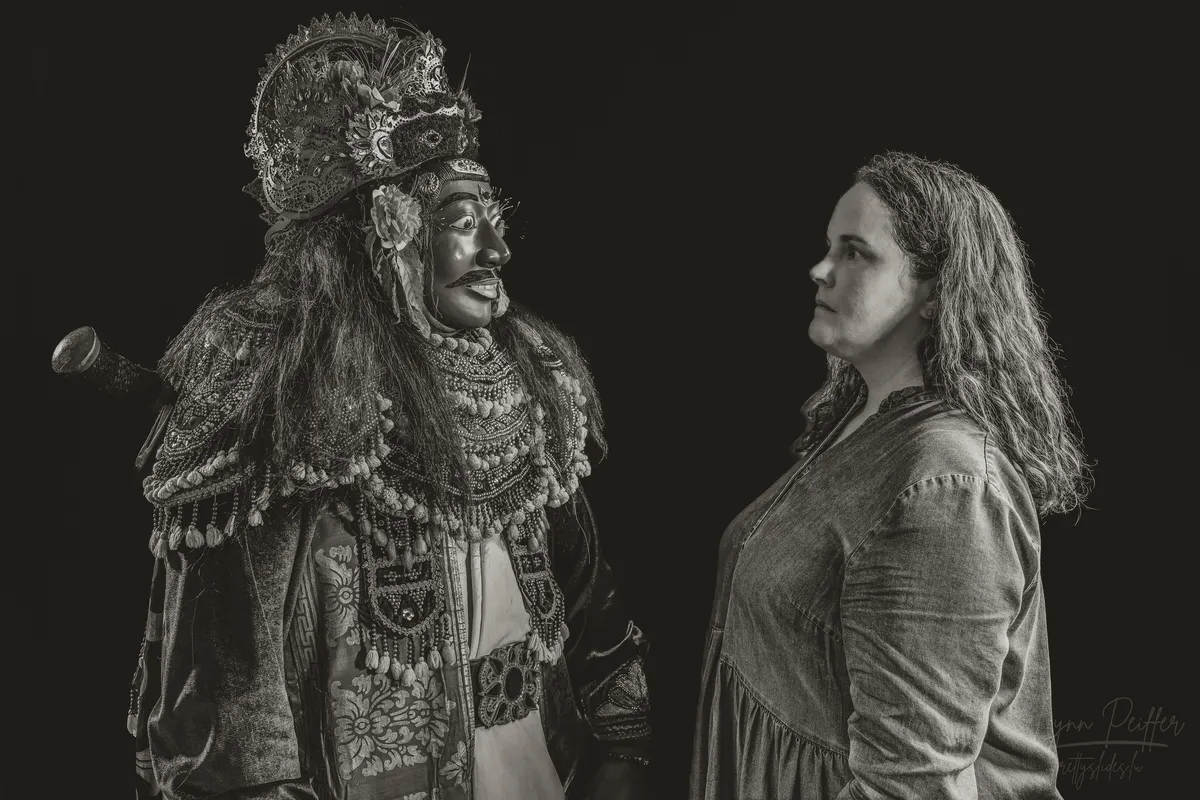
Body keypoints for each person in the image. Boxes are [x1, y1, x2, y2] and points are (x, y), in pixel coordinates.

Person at [118, 14, 651, 800]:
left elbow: (589, 604)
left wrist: (624, 751)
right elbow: (229, 711)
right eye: (463, 225)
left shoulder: (527, 379)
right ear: (384, 235)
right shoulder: (287, 395)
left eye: (492, 222)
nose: (497, 253)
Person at [690, 151, 1090, 799]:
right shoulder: (861, 424)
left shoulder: (945, 484)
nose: (818, 269)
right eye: (829, 247)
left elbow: (910, 789)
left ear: (934, 291)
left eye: (855, 252)